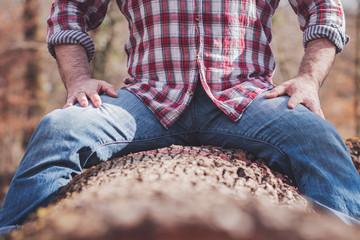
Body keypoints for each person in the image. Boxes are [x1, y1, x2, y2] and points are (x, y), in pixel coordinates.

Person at [1, 0, 360, 236]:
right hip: (145, 101)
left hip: (247, 99)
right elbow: (68, 9)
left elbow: (324, 8)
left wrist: (309, 80)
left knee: (317, 135)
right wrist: (78, 79)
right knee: (58, 128)